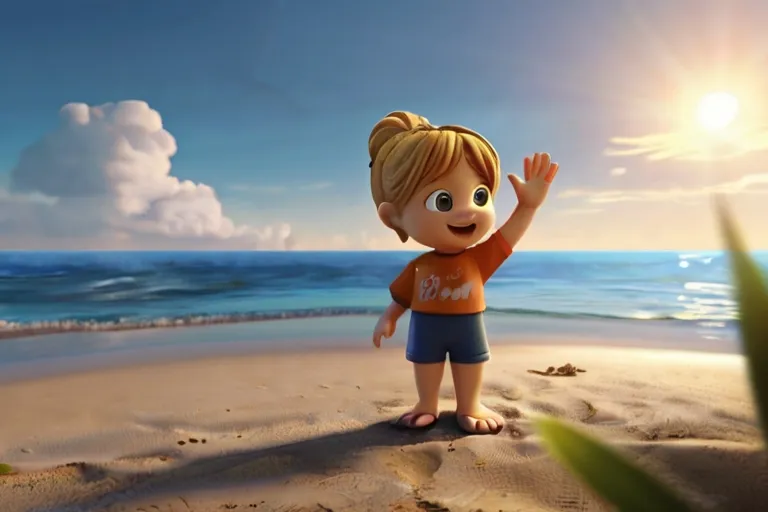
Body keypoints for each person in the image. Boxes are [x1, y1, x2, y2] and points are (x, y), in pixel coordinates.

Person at [368, 111, 560, 435]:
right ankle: (426, 404)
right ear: (393, 217)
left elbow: (508, 236)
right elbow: (402, 296)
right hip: (426, 325)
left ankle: (469, 405)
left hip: (468, 323)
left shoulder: (478, 259)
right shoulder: (420, 266)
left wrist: (528, 206)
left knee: (470, 362)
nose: (467, 209)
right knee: (425, 364)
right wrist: (389, 316)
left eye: (480, 195)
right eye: (443, 200)